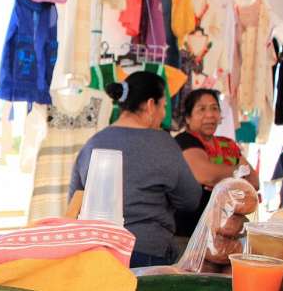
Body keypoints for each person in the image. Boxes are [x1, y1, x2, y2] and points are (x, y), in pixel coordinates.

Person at [69, 71, 201, 268]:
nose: (164, 114)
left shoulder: (93, 143)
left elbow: (75, 200)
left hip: (96, 254)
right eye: (163, 106)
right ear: (150, 105)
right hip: (147, 254)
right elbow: (191, 200)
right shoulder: (163, 144)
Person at [174, 89, 260, 239]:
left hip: (225, 233)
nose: (210, 115)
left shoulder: (227, 145)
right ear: (188, 118)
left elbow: (254, 182)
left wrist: (223, 178)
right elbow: (207, 175)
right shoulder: (184, 141)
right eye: (201, 109)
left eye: (214, 108)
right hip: (189, 234)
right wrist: (238, 173)